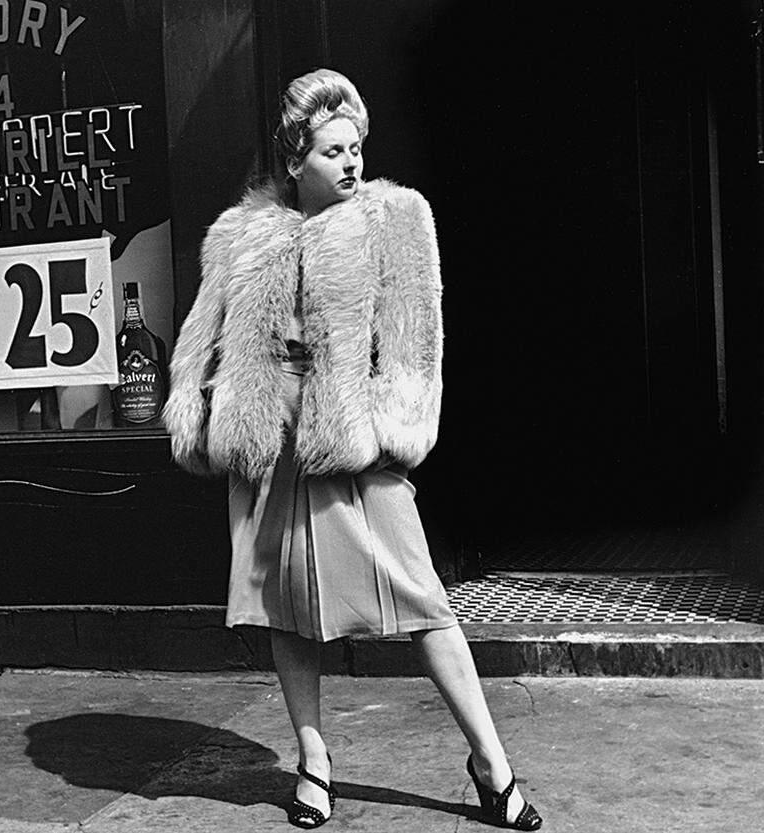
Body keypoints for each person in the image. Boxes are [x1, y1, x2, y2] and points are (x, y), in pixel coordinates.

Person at [164, 68, 542, 831]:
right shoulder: (242, 232)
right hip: (272, 440)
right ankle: (313, 761)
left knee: (425, 602)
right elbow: (201, 339)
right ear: (294, 156)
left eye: (356, 148)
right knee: (285, 609)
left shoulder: (397, 219)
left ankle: (491, 763)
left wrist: (383, 430)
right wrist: (203, 414)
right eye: (332, 150)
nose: (350, 163)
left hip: (353, 438)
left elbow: (414, 343)